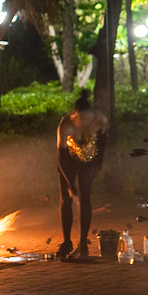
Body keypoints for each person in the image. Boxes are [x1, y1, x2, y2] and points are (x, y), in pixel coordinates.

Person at [56, 89, 108, 260]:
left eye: (86, 118)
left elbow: (102, 145)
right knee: (67, 199)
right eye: (80, 118)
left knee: (85, 198)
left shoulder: (100, 120)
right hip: (68, 162)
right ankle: (66, 242)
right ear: (74, 115)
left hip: (89, 161)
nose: (83, 121)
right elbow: (61, 156)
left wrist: (97, 167)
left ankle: (83, 244)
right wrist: (70, 183)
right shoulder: (66, 124)